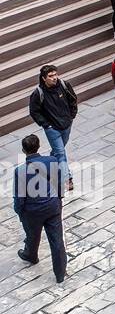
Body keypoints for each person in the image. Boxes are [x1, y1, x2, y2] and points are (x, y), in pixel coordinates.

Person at [12, 134, 67, 283]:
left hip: (33, 210)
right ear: (39, 146)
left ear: (24, 150)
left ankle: (30, 255)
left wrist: (19, 211)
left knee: (32, 233)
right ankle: (60, 273)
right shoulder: (52, 161)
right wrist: (59, 199)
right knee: (56, 239)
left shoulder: (20, 171)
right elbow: (59, 183)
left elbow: (19, 196)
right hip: (52, 205)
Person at [28, 65, 77, 190]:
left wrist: (72, 116)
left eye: (55, 74)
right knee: (60, 152)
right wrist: (46, 125)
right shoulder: (38, 93)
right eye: (51, 76)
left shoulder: (64, 85)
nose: (54, 78)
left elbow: (73, 100)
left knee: (57, 152)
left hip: (66, 125)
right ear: (44, 78)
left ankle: (49, 167)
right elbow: (34, 111)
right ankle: (67, 179)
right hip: (52, 129)